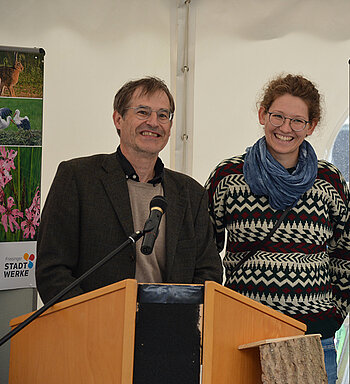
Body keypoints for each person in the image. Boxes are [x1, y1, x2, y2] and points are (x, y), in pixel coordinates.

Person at [205, 74, 350, 384]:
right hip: (242, 336)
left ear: (311, 126)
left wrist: (333, 317)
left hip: (312, 337)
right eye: (278, 116)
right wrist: (221, 312)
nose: (285, 128)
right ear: (263, 114)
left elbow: (345, 255)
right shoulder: (228, 176)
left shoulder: (329, 180)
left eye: (297, 121)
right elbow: (203, 250)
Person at [36, 77, 223, 303]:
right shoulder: (77, 177)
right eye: (143, 112)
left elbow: (208, 273)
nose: (153, 122)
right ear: (118, 119)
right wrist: (93, 320)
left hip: (169, 328)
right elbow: (52, 270)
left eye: (163, 115)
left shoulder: (191, 193)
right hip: (93, 328)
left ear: (170, 127)